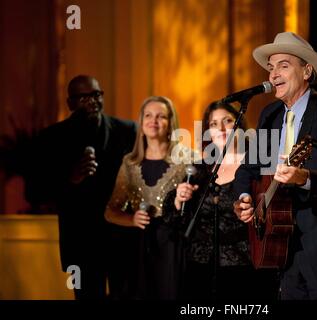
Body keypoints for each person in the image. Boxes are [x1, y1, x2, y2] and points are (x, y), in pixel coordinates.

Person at [233, 32, 317, 300]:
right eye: (271, 68)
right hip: (283, 251)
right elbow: (247, 169)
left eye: (283, 65)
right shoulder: (269, 115)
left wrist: (303, 177)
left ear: (307, 71)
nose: (273, 75)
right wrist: (244, 198)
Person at [32, 75, 137, 299]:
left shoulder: (127, 130)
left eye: (96, 94)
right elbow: (36, 191)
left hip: (122, 242)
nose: (92, 101)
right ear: (70, 103)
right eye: (83, 97)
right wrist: (70, 179)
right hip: (80, 244)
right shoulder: (51, 138)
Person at [165, 101, 279, 301]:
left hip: (245, 267)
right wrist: (178, 200)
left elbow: (273, 212)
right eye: (214, 124)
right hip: (200, 266)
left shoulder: (257, 165)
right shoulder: (199, 168)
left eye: (228, 120)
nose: (222, 129)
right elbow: (178, 222)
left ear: (240, 126)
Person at [104, 96, 193, 300]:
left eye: (161, 116)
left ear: (171, 123)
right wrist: (131, 219)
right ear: (141, 121)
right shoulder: (130, 163)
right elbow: (110, 211)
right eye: (148, 115)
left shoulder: (188, 158)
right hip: (138, 246)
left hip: (175, 245)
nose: (154, 121)